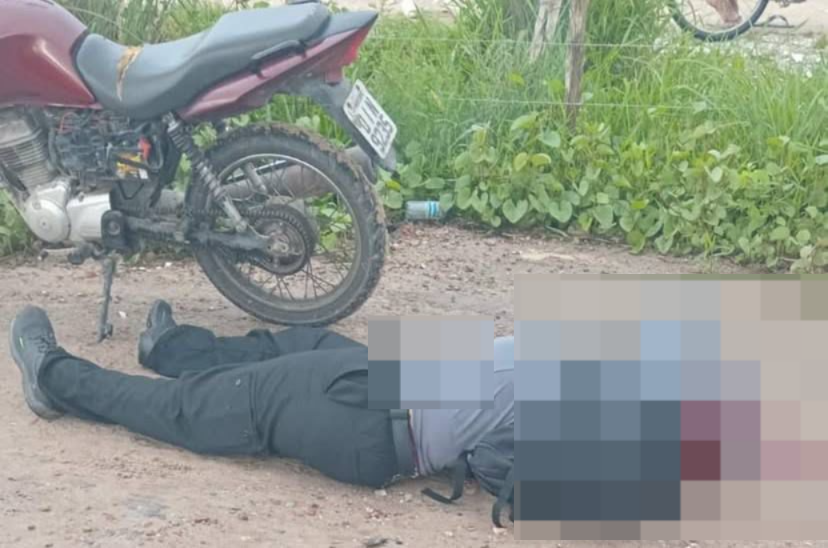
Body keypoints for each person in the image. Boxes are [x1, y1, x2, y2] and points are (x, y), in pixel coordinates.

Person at [8, 302, 514, 490]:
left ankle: (53, 378)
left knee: (198, 405)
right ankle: (170, 347)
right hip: (419, 375)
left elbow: (508, 468)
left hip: (377, 417)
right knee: (301, 342)